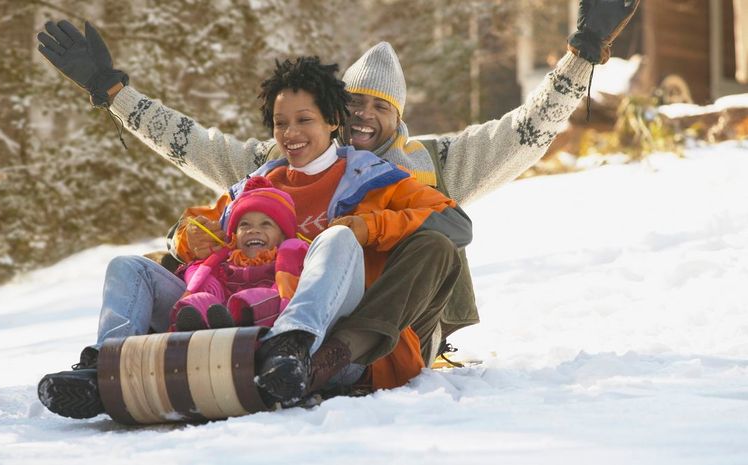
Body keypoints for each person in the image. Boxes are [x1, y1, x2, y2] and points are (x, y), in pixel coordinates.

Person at [36, 0, 640, 369]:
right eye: (350, 105)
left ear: (398, 115)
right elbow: (189, 140)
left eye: (377, 107)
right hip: (286, 302)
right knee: (172, 252)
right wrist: (113, 94)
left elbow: (526, 131)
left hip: (392, 321)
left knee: (433, 239)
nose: (361, 117)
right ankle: (130, 358)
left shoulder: (434, 164)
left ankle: (336, 356)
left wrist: (583, 55)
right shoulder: (283, 156)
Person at [36, 55, 472, 418]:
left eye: (305, 120)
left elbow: (455, 223)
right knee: (129, 266)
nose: (291, 134)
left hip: (324, 335)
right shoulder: (255, 183)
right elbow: (192, 224)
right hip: (235, 317)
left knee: (336, 241)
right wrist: (191, 240)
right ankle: (104, 367)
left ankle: (292, 345)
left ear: (334, 122)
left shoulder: (375, 179)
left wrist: (367, 226)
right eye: (281, 123)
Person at [169, 176, 309, 332]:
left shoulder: (286, 261)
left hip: (263, 317)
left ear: (282, 236)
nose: (253, 230)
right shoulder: (227, 261)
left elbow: (291, 285)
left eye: (266, 224)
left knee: (261, 298)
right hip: (221, 313)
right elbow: (197, 270)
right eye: (244, 224)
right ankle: (193, 324)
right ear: (234, 236)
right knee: (199, 301)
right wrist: (206, 283)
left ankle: (240, 319)